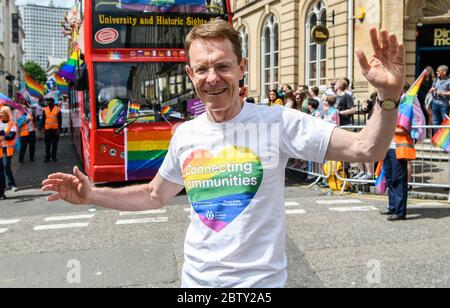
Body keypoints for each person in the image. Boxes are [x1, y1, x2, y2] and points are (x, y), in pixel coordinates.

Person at [42, 20, 405, 288]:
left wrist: (389, 99)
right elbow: (154, 195)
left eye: (222, 65)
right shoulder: (185, 134)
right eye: (202, 68)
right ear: (190, 74)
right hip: (196, 285)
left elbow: (365, 148)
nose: (212, 77)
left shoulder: (276, 121)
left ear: (241, 68)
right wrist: (92, 195)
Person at [0, 107, 18, 192]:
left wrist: (3, 136)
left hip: (7, 149)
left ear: (7, 114)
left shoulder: (12, 124)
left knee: (6, 166)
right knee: (2, 167)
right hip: (0, 149)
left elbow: (11, 137)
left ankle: (12, 184)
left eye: (2, 114)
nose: (1, 115)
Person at [429, 65, 450, 132]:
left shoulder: (449, 81)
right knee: (435, 121)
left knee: (445, 121)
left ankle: (445, 140)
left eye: (438, 71)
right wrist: (432, 89)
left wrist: (442, 93)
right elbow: (432, 88)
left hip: (444, 104)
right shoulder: (436, 80)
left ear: (444, 72)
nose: (436, 72)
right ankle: (436, 139)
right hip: (435, 103)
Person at [42, 97, 61, 162]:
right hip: (47, 130)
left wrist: (59, 129)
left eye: (50, 101)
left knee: (54, 144)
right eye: (48, 101)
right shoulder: (45, 109)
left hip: (55, 130)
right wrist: (43, 129)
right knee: (47, 145)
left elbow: (59, 119)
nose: (48, 102)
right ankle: (47, 157)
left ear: (53, 102)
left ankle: (53, 157)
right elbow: (43, 119)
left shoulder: (57, 109)